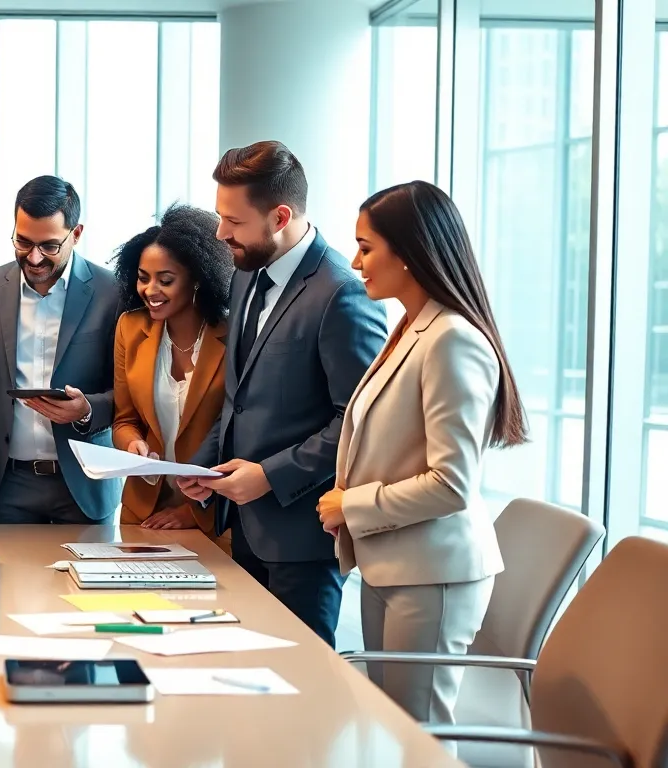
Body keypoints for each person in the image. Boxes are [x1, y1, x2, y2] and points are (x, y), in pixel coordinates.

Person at [316, 180, 523, 724]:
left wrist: (350, 505)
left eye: (366, 248)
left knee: (419, 735)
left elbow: (451, 484)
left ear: (409, 252)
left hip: (433, 573)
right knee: (394, 727)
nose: (355, 263)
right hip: (393, 564)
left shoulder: (451, 337)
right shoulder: (411, 326)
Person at [179, 141, 388, 646]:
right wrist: (204, 466)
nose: (220, 232)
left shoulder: (341, 293)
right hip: (242, 526)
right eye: (220, 216)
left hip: (303, 539)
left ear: (280, 216)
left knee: (303, 676)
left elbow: (358, 425)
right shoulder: (245, 275)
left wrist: (270, 476)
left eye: (234, 220)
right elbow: (239, 398)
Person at [0, 176, 123, 524]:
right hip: (9, 484)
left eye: (49, 245)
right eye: (23, 241)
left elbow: (132, 391)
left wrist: (88, 409)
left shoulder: (112, 291)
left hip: (86, 482)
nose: (34, 257)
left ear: (77, 234)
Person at [110, 204, 235, 543]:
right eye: (143, 278)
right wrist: (132, 444)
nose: (150, 290)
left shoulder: (233, 335)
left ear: (197, 279)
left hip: (211, 515)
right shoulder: (130, 328)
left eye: (165, 280)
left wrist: (192, 511)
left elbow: (239, 435)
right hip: (142, 513)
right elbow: (124, 420)